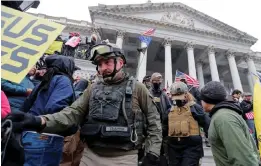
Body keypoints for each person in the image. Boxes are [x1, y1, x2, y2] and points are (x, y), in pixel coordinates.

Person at [8, 43, 162, 166]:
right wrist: (39, 121)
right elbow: (73, 113)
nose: (103, 68)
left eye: (107, 62)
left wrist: (153, 153)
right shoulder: (93, 87)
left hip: (124, 158)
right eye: (100, 64)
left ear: (120, 63)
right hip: (90, 156)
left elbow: (154, 121)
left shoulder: (138, 88)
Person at [20, 55, 78, 166]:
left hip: (29, 134)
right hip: (47, 137)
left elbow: (26, 105)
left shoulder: (46, 80)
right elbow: (55, 109)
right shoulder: (63, 80)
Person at [200, 81, 260, 166]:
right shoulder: (222, 115)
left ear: (207, 100)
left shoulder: (224, 118)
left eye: (201, 99)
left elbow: (242, 159)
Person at [165, 82, 210, 166]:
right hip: (173, 148)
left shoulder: (195, 108)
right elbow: (164, 128)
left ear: (186, 94)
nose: (178, 100)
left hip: (191, 148)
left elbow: (207, 124)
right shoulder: (170, 110)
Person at [149, 72, 171, 165]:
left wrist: (166, 116)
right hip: (151, 125)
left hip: (163, 125)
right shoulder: (148, 93)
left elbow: (169, 107)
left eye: (159, 81)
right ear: (151, 81)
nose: (157, 82)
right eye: (155, 80)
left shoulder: (164, 94)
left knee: (163, 150)